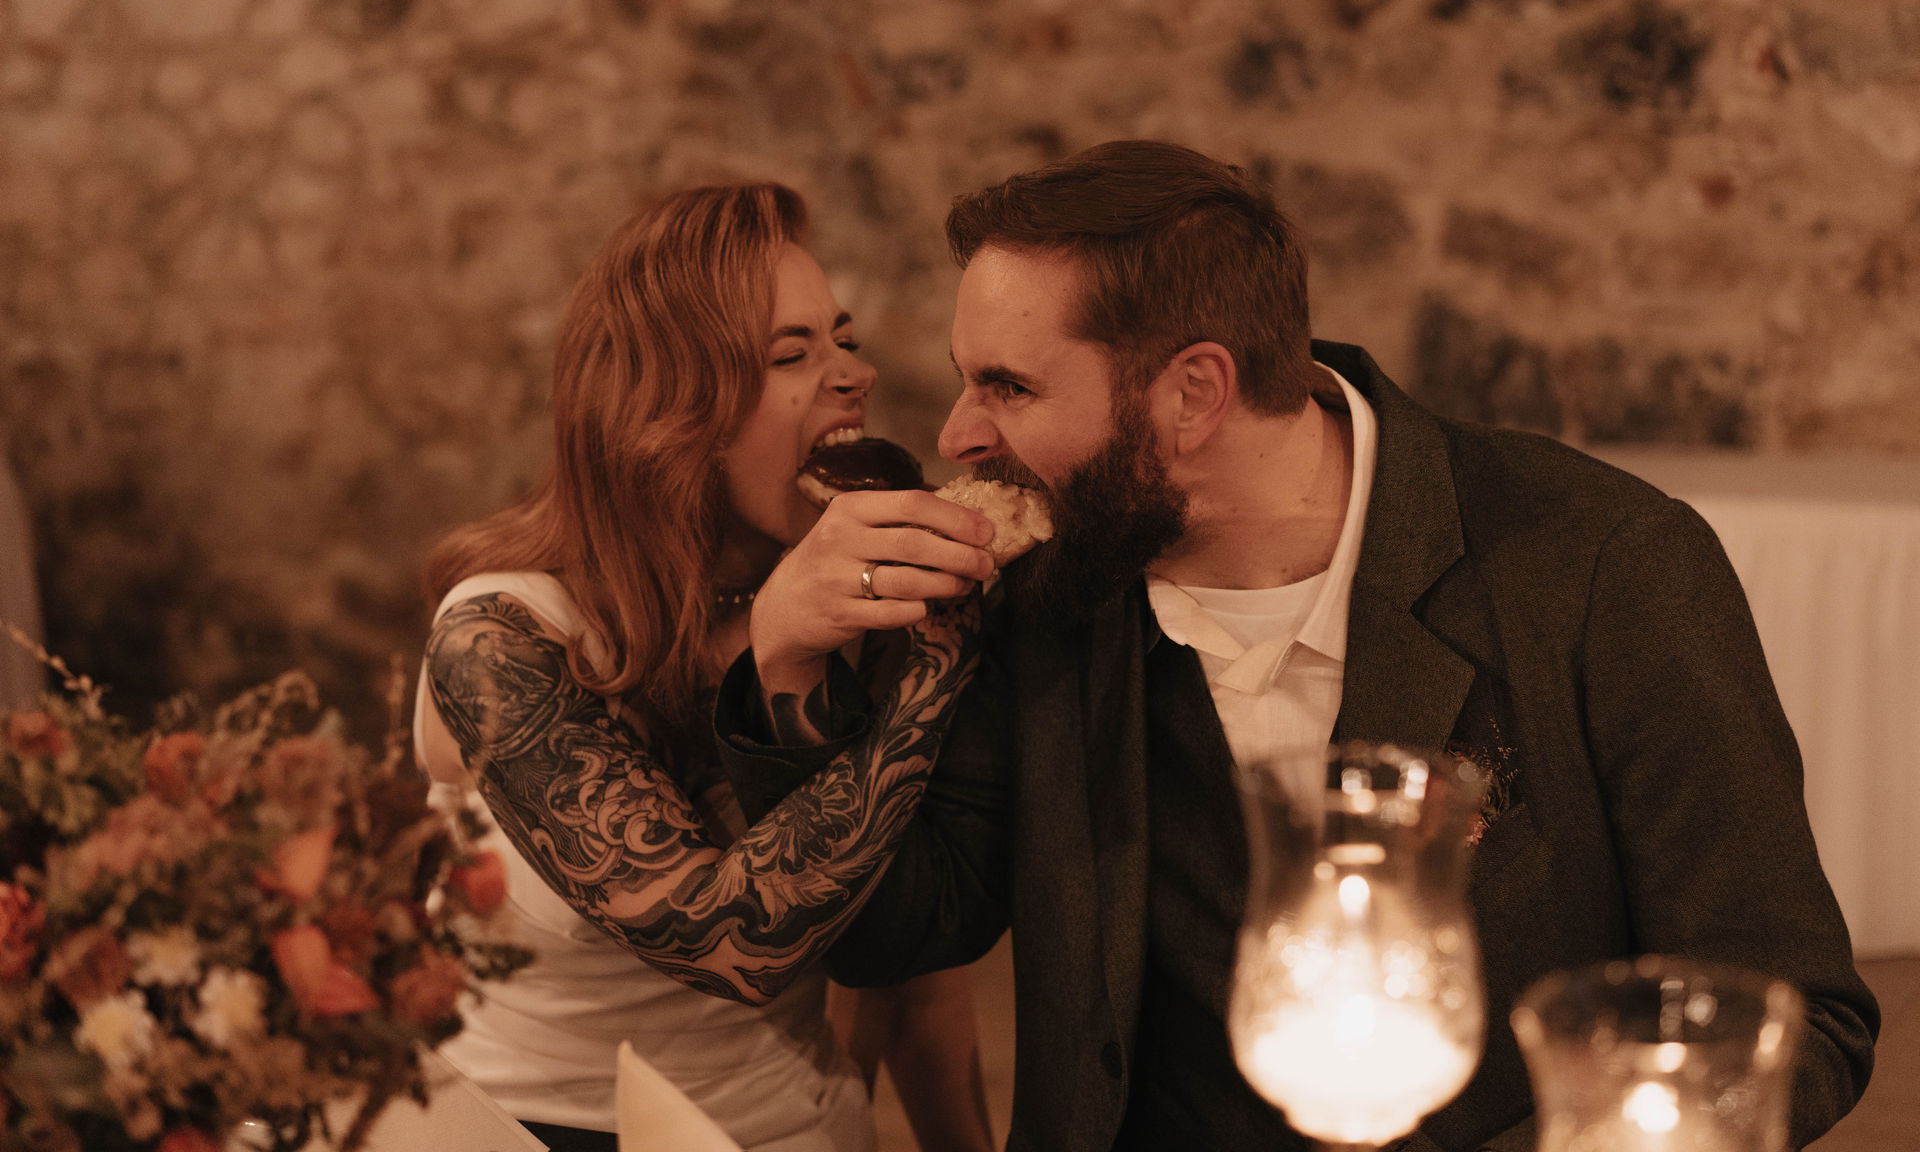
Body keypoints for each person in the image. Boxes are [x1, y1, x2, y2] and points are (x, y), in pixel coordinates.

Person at [719, 142, 1880, 1152]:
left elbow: (1796, 1017)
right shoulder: (1049, 588)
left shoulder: (1603, 566)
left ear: (1194, 392)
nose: (959, 434)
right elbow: (894, 930)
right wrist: (788, 660)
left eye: (1009, 386)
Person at [414, 183, 1004, 1152]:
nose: (853, 373)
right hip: (532, 1127)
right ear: (669, 410)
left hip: (801, 1125)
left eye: (841, 338)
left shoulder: (855, 592)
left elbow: (910, 961)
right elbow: (726, 938)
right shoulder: (503, 632)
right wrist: (939, 660)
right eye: (792, 353)